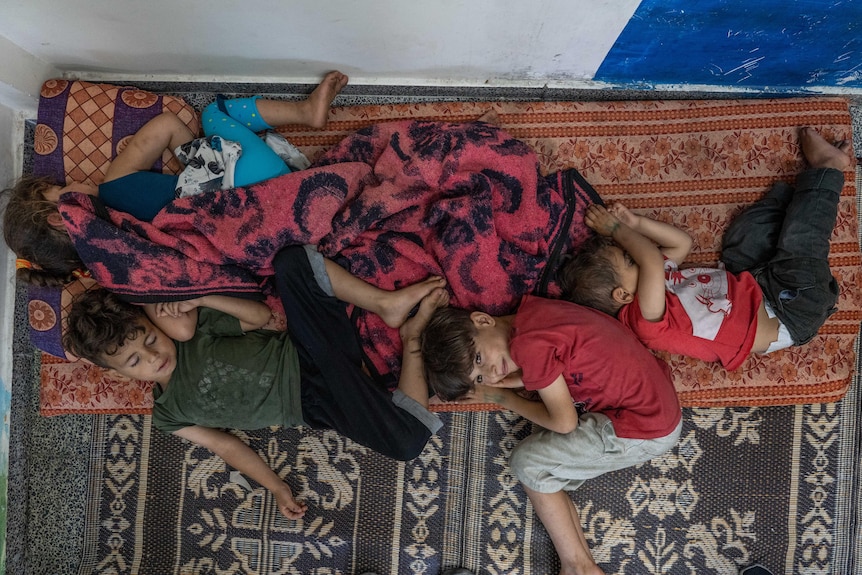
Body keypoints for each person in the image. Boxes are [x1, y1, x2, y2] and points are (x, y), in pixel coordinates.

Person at [62, 244, 449, 520]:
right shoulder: (168, 413)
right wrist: (276, 486)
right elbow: (226, 446)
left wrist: (204, 299)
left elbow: (259, 315)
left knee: (293, 262)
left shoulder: (195, 332)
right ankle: (413, 338)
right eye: (135, 360)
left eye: (149, 339)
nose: (153, 356)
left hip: (309, 350)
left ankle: (384, 303)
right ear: (118, 374)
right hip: (315, 404)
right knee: (407, 442)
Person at [3, 71, 348, 286]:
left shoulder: (116, 263)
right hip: (252, 184)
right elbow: (167, 124)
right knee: (214, 114)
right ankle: (306, 113)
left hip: (259, 232)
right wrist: (200, 161)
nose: (72, 180)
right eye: (63, 188)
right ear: (61, 216)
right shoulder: (113, 184)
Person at [420, 296, 682, 575]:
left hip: (644, 425)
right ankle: (581, 566)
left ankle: (578, 567)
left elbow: (565, 422)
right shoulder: (533, 314)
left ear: (483, 320)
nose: (493, 372)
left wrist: (501, 396)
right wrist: (522, 378)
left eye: (480, 359)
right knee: (543, 471)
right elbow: (565, 353)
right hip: (656, 402)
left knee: (529, 464)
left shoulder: (528, 347)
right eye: (480, 379)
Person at [560, 127, 852, 371]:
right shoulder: (645, 320)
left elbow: (681, 243)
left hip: (753, 283)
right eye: (628, 258)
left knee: (743, 236)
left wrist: (636, 223)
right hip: (793, 308)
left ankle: (805, 200)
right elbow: (648, 257)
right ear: (622, 295)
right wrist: (616, 230)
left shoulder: (655, 281)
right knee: (800, 243)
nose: (634, 252)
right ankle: (828, 169)